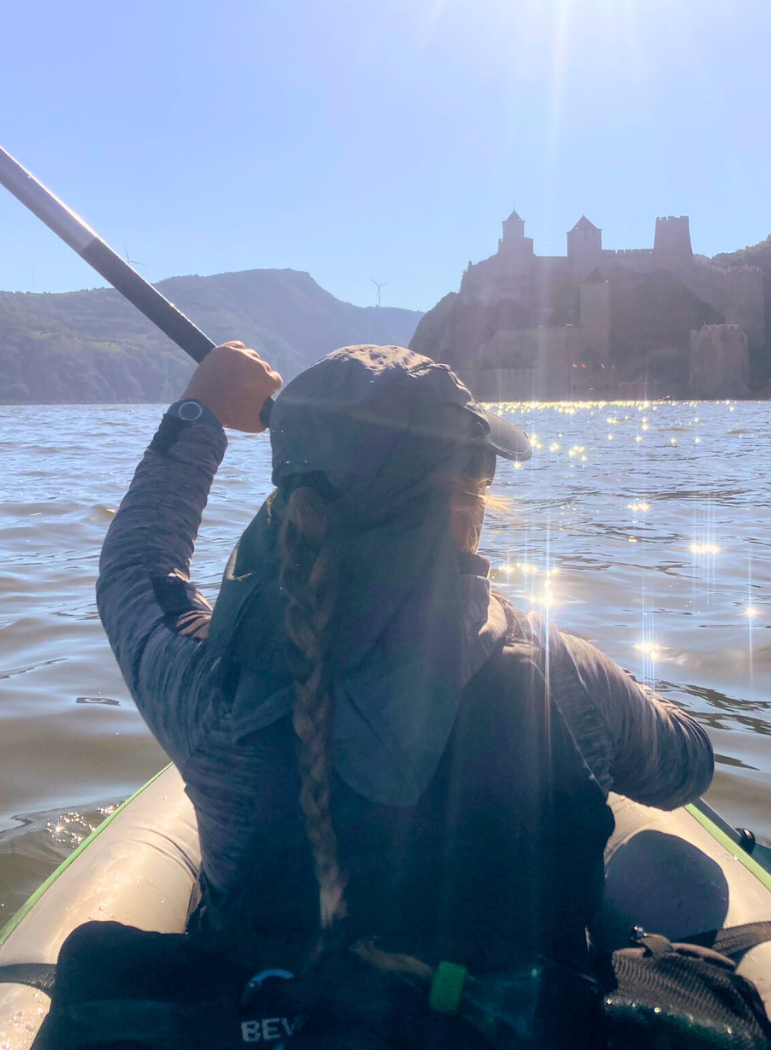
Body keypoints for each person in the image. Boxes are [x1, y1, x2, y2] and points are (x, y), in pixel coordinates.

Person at [89, 341, 714, 1046]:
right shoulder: (560, 675)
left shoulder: (212, 688)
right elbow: (686, 767)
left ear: (291, 499)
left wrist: (199, 414)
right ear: (469, 495)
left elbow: (135, 570)